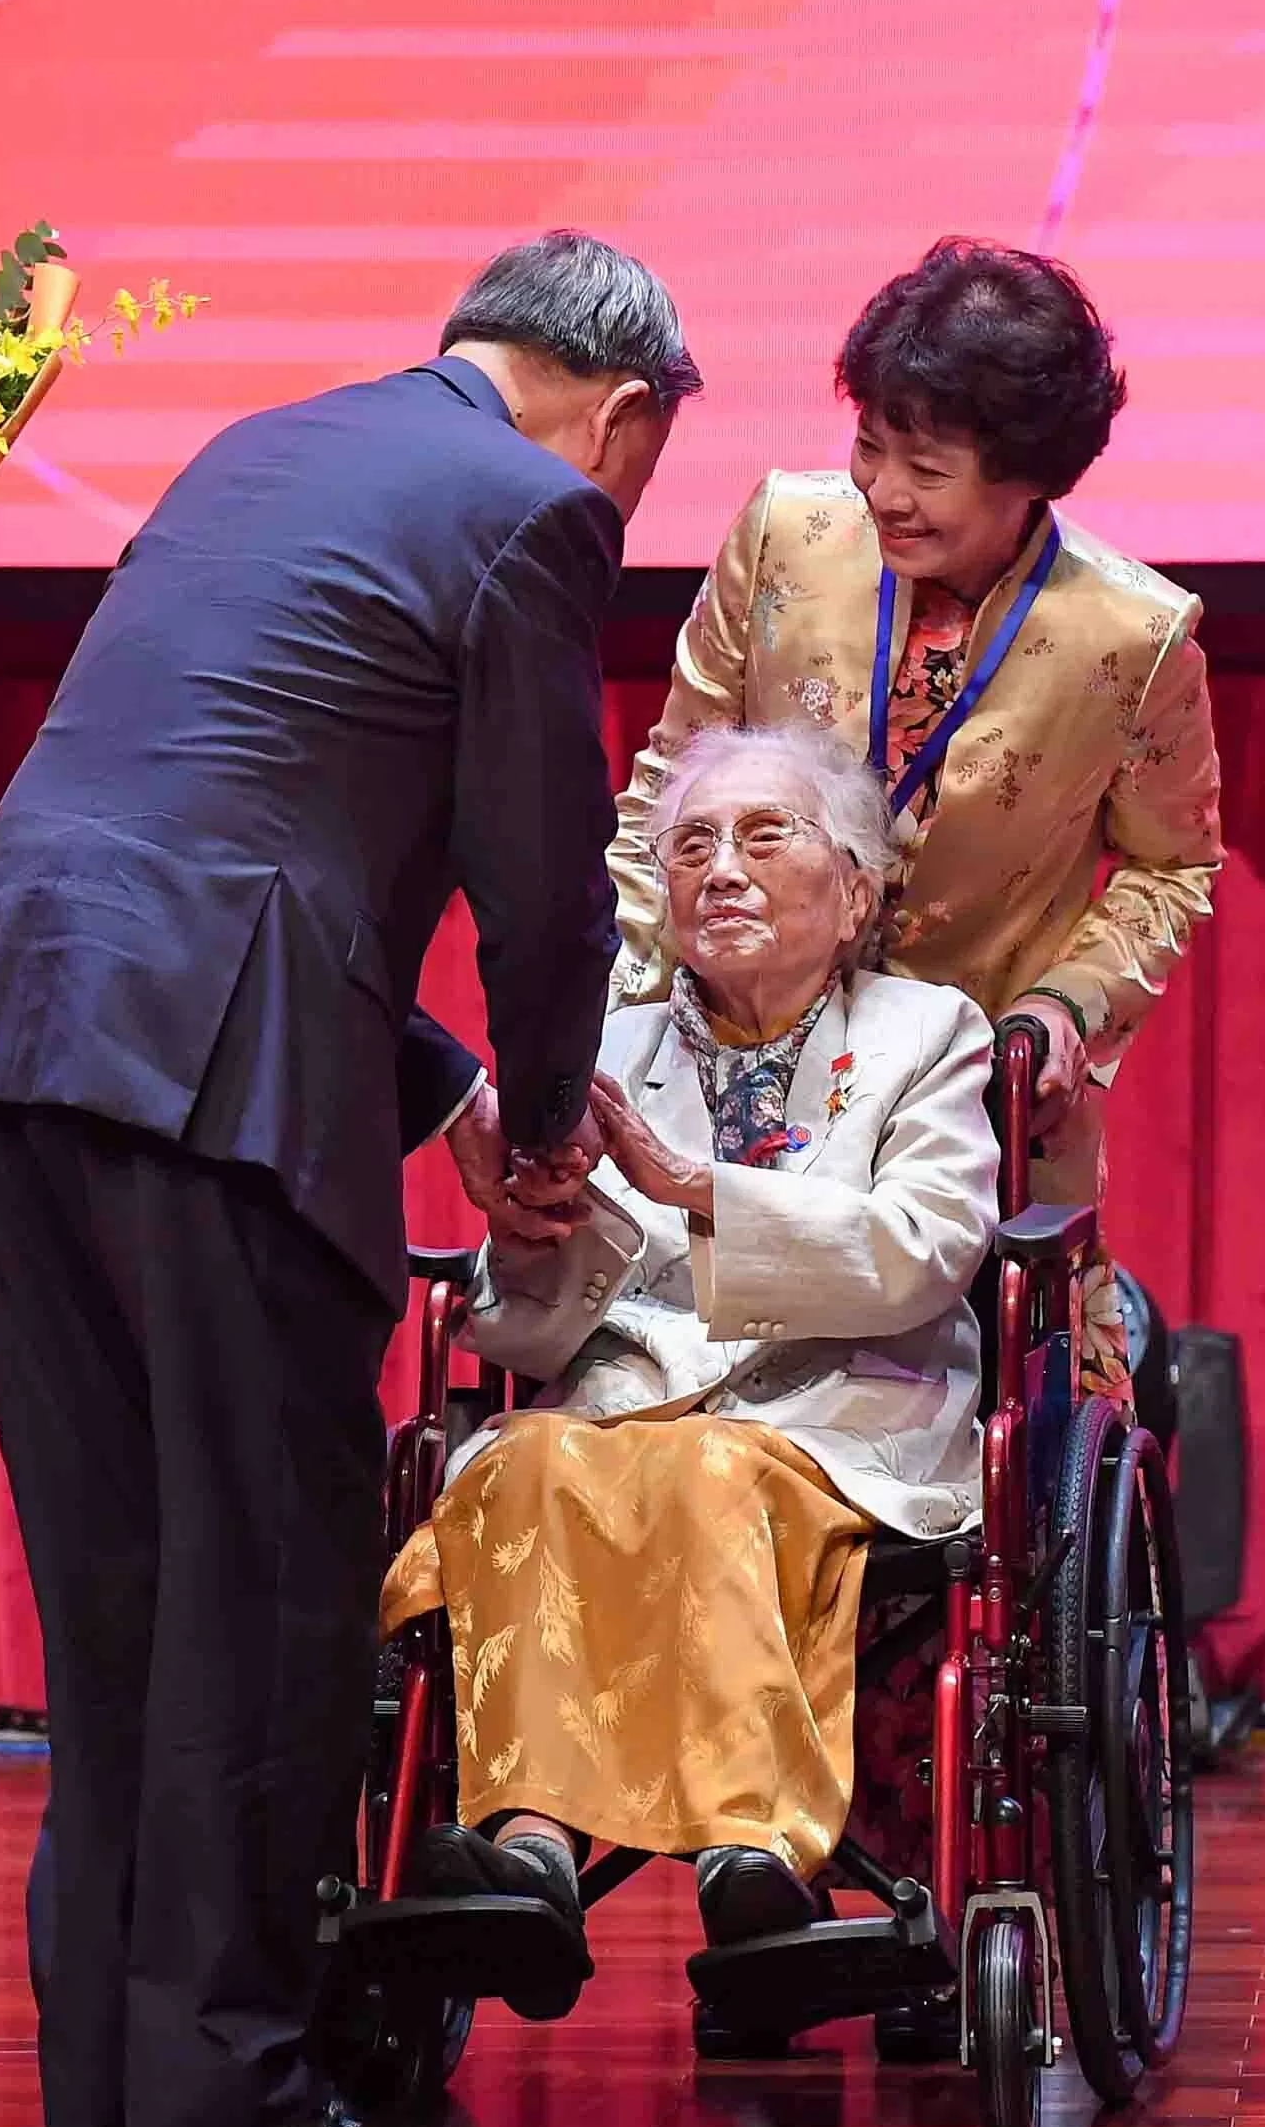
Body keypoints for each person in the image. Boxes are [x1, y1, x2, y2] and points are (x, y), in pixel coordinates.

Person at [0, 233, 699, 2127]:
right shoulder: (534, 509)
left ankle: (121, 2096)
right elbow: (544, 881)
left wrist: (457, 1092)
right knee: (264, 1598)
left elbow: (227, 812)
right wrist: (559, 1123)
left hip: (17, 1033)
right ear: (628, 414)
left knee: (124, 1602)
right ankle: (225, 2088)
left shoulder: (264, 447)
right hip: (205, 1088)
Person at [380, 725, 998, 1997]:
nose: (721, 870)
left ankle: (754, 1846)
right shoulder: (605, 1047)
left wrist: (689, 1190)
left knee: (713, 1470)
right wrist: (549, 1223)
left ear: (857, 888)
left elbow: (927, 1250)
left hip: (838, 1414)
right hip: (618, 1407)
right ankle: (531, 1849)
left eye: (765, 837)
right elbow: (520, 1321)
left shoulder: (927, 1032)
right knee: (518, 1466)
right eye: (692, 847)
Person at [611, 239, 1223, 1392]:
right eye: (869, 447)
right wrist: (627, 1006)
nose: (882, 492)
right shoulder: (784, 536)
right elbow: (672, 778)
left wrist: (1062, 1007)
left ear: (1028, 476)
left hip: (966, 1088)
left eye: (926, 468)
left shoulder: (1131, 638)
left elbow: (1169, 866)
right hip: (727, 1045)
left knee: (1011, 1415)